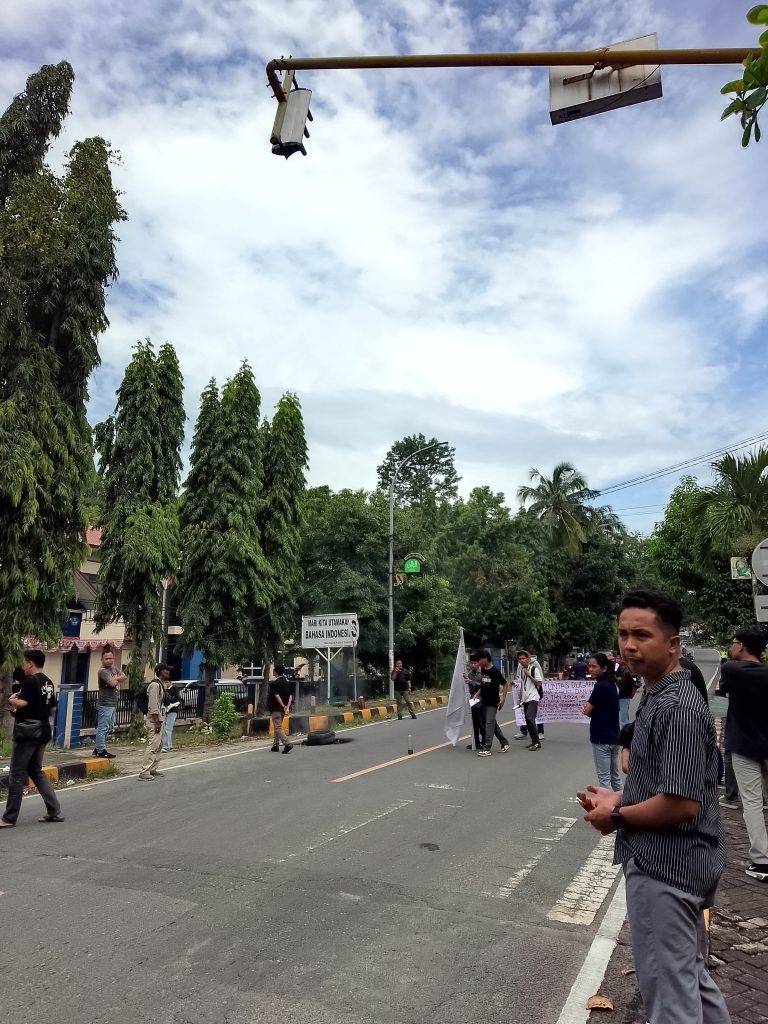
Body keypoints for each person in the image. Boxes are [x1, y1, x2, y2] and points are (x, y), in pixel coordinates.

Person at [577, 589, 729, 1024]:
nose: (628, 645)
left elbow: (679, 804)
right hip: (681, 861)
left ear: (673, 644)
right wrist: (620, 798)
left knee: (669, 997)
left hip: (666, 866)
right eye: (623, 634)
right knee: (691, 979)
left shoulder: (676, 706)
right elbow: (667, 784)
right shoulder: (658, 694)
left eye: (641, 635)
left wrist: (616, 815)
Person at [718, 629, 768, 882]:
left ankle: (761, 860)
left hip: (744, 744)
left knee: (752, 803)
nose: (731, 647)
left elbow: (721, 696)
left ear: (742, 646)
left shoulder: (731, 670)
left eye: (734, 643)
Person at [1, 651, 64, 828]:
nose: (23, 666)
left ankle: (9, 818)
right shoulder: (48, 682)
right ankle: (53, 810)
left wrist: (12, 700)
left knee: (16, 774)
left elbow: (22, 703)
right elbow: (50, 706)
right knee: (35, 770)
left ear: (30, 663)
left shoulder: (29, 681)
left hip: (27, 733)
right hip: (43, 731)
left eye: (24, 662)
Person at [583, 653, 621, 791]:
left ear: (604, 668)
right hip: (614, 737)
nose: (591, 669)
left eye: (594, 666)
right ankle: (622, 801)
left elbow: (587, 710)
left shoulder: (601, 686)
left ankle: (609, 803)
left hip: (601, 738)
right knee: (614, 777)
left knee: (604, 778)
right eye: (589, 666)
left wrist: (587, 709)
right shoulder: (611, 684)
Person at [94, 646, 126, 759]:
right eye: (106, 658)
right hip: (105, 703)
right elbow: (113, 684)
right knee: (103, 727)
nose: (109, 660)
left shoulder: (113, 668)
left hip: (112, 703)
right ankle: (100, 750)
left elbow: (124, 676)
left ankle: (98, 747)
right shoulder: (102, 671)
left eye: (111, 658)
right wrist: (116, 679)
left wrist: (115, 678)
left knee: (110, 726)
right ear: (102, 659)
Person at [137, 665, 168, 781]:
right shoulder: (155, 685)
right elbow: (153, 705)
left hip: (160, 718)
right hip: (154, 720)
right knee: (153, 745)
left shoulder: (161, 685)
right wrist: (157, 722)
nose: (168, 672)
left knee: (159, 745)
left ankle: (153, 768)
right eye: (165, 670)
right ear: (159, 671)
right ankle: (145, 770)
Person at [476, 651, 508, 756]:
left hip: (493, 702)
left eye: (479, 660)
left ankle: (487, 748)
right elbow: (483, 684)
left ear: (486, 658)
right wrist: (477, 694)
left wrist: (503, 699)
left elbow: (505, 684)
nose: (478, 662)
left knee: (489, 724)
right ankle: (504, 743)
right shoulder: (483, 669)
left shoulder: (495, 671)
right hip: (484, 701)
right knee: (492, 723)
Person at [513, 651, 545, 742]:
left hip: (533, 696)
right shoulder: (521, 669)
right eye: (520, 659)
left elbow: (539, 682)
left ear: (528, 658)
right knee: (527, 719)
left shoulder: (534, 667)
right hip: (525, 697)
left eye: (523, 658)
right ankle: (532, 740)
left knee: (530, 718)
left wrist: (529, 675)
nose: (521, 660)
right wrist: (519, 696)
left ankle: (537, 738)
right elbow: (521, 683)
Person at [267, 664, 293, 754]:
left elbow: (276, 695)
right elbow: (290, 696)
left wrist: (282, 705)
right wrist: (287, 707)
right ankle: (275, 745)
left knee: (278, 727)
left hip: (276, 708)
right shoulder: (288, 683)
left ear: (275, 672)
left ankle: (287, 743)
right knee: (277, 726)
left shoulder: (274, 684)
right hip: (283, 709)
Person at [464, 656, 485, 750]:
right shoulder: (469, 674)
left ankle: (484, 742)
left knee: (482, 724)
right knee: (474, 724)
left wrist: (471, 682)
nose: (473, 665)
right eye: (471, 663)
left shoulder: (483, 673)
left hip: (482, 702)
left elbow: (484, 685)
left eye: (475, 663)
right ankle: (476, 743)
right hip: (472, 702)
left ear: (478, 664)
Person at [161, 679, 183, 752]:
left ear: (171, 682)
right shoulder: (164, 690)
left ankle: (166, 746)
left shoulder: (174, 688)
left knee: (168, 728)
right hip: (165, 711)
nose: (165, 683)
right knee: (165, 728)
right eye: (164, 682)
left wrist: (171, 705)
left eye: (167, 682)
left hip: (173, 711)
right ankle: (169, 745)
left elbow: (178, 700)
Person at [615, 660, 637, 729]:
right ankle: (622, 731)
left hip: (623, 697)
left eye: (618, 658)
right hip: (621, 696)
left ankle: (624, 732)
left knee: (623, 718)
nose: (617, 660)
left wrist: (618, 680)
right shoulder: (618, 668)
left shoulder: (626, 671)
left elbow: (631, 684)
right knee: (621, 717)